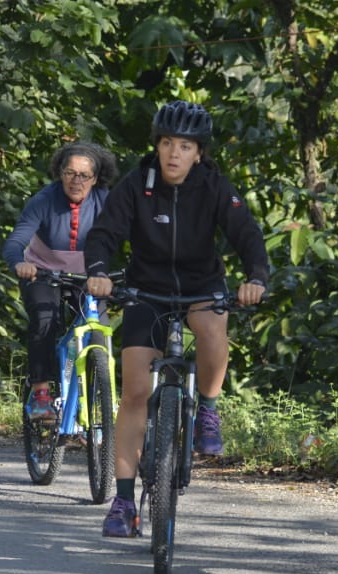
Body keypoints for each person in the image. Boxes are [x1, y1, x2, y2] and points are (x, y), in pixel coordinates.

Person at [84, 100, 269, 538]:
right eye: (167, 143)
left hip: (200, 286)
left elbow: (246, 235)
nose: (174, 153)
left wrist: (256, 278)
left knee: (210, 327)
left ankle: (207, 407)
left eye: (184, 146)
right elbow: (105, 234)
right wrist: (97, 273)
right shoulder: (136, 184)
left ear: (198, 153)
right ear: (158, 145)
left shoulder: (215, 187)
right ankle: (124, 500)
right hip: (146, 288)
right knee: (133, 392)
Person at [3, 141, 119, 421]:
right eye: (69, 173)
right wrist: (20, 263)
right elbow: (16, 241)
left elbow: (134, 236)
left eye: (84, 175)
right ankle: (41, 394)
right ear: (59, 172)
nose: (76, 181)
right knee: (46, 320)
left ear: (96, 178)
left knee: (99, 334)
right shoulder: (44, 200)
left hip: (87, 279)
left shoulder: (106, 200)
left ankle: (92, 407)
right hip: (43, 274)